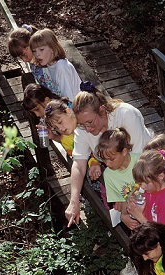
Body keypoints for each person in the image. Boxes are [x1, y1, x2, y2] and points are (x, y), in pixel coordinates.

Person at [65, 82, 153, 227]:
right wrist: (73, 201)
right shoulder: (82, 130)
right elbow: (79, 165)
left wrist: (126, 202)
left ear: (102, 110)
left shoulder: (126, 115)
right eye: (82, 124)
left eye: (90, 122)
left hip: (147, 173)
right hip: (122, 183)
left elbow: (141, 161)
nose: (87, 128)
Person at [127, 149, 165, 225]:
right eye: (139, 183)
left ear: (160, 176)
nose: (142, 186)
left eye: (146, 183)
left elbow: (160, 233)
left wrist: (139, 217)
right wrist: (132, 201)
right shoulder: (149, 189)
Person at [29, 28, 81, 101]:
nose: (37, 54)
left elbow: (69, 99)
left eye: (41, 49)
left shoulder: (61, 67)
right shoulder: (46, 67)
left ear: (52, 48)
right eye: (34, 51)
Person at [7, 24, 52, 89]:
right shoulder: (33, 63)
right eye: (20, 57)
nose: (24, 60)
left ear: (31, 43)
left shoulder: (47, 61)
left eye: (24, 54)